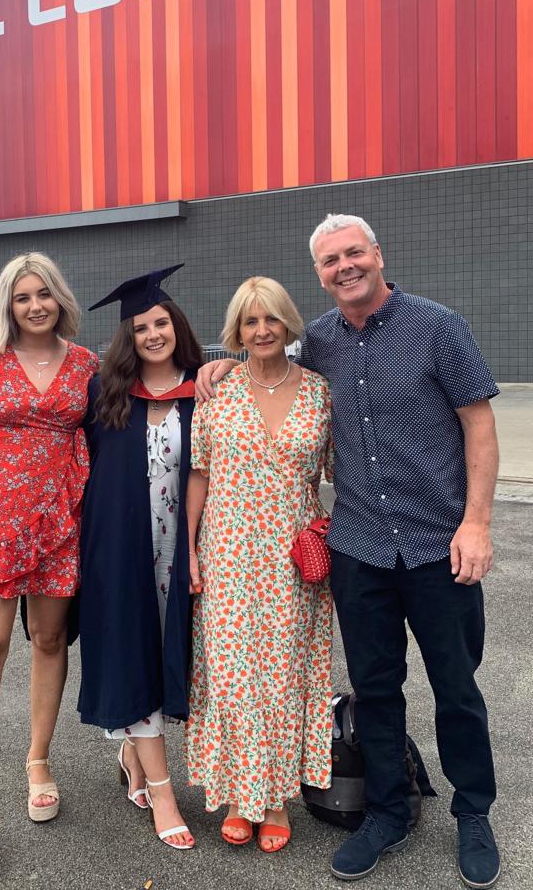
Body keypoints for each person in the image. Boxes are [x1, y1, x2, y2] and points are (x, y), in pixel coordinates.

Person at [197, 215, 500, 888]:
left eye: (353, 252)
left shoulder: (438, 326)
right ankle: (386, 813)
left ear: (377, 254)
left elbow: (479, 423)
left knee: (456, 688)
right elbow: (264, 364)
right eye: (331, 259)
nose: (345, 266)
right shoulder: (320, 345)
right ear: (321, 273)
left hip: (436, 545)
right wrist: (219, 365)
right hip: (359, 548)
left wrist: (476, 522)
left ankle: (473, 813)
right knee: (376, 690)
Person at [0, 252, 99, 879]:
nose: (35, 305)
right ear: (8, 303)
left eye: (44, 294)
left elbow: (144, 393)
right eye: (23, 296)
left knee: (52, 638)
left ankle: (38, 760)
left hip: (64, 520)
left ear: (60, 298)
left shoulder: (85, 362)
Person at [185, 276, 334, 853]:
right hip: (226, 549)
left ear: (288, 323)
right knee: (231, 674)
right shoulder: (216, 392)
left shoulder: (321, 391)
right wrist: (192, 549)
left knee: (285, 673)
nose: (262, 330)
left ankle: (273, 797)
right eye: (250, 321)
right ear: (236, 331)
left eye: (271, 318)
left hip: (294, 555)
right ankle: (235, 791)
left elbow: (344, 473)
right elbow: (199, 472)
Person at [78, 265, 202, 851]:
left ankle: (133, 752)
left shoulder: (207, 388)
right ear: (127, 337)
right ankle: (163, 791)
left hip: (187, 552)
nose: (153, 333)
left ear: (176, 324)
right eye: (141, 326)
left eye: (161, 322)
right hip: (120, 550)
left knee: (175, 654)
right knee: (134, 654)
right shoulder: (102, 393)